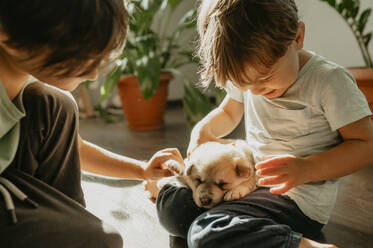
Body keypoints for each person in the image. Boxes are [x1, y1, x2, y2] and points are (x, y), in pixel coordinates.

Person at [154, 0, 373, 248]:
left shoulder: (328, 82)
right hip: (248, 182)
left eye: (266, 77)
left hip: (294, 198)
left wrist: (306, 168)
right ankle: (241, 227)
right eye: (244, 83)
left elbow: (366, 145)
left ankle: (306, 246)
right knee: (173, 208)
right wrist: (204, 131)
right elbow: (228, 112)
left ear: (297, 37)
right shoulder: (250, 73)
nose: (255, 90)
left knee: (204, 234)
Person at [0, 1, 183, 247]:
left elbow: (77, 148)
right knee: (99, 240)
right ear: (8, 36)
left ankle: (67, 219)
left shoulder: (29, 81)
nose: (93, 74)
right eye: (78, 58)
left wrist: (141, 170)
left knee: (55, 103)